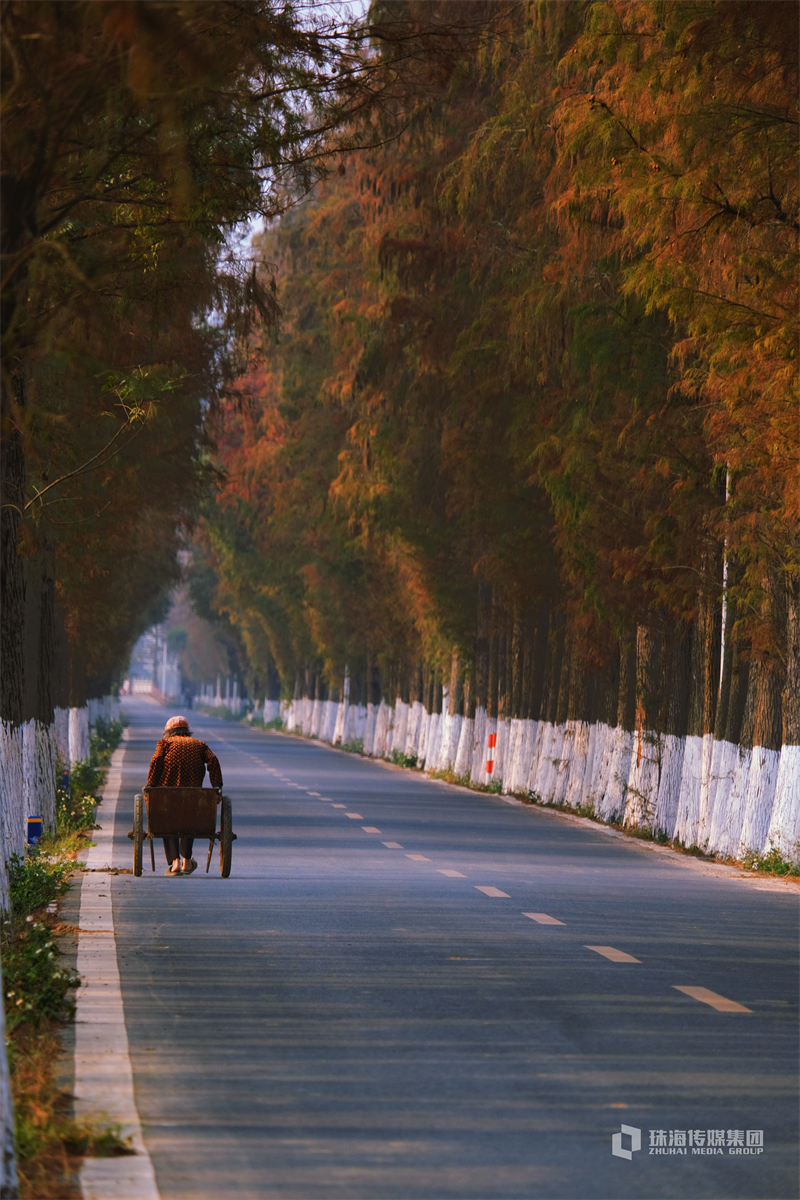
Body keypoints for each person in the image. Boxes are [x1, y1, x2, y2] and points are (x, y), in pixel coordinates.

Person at [146, 715, 223, 875]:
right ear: (187, 731)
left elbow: (156, 760)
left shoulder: (164, 744)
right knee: (190, 820)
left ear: (168, 732)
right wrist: (217, 785)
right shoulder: (199, 745)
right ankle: (187, 862)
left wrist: (151, 786)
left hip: (167, 794)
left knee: (167, 820)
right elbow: (213, 760)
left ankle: (175, 864)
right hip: (193, 794)